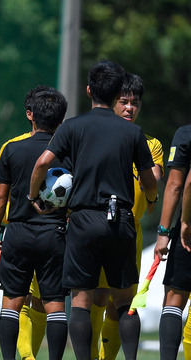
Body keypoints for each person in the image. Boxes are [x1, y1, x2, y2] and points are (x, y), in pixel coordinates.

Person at [28, 60, 158, 360]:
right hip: (120, 219)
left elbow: (42, 163)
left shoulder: (73, 126)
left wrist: (34, 195)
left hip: (83, 219)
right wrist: (151, 198)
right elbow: (150, 180)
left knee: (82, 301)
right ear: (116, 94)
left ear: (88, 90)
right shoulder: (133, 133)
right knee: (125, 301)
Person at [0, 87, 69, 360]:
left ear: (30, 115)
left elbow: (0, 197)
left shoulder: (12, 149)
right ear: (61, 119)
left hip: (19, 232)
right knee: (55, 305)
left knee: (12, 301)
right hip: (54, 233)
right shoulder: (69, 152)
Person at [91, 73, 163, 360]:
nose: (130, 108)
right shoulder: (96, 136)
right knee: (95, 296)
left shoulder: (151, 143)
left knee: (120, 302)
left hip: (129, 231)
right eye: (124, 102)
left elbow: (153, 180)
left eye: (135, 103)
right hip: (95, 226)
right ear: (113, 102)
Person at [154, 123, 191, 359]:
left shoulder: (185, 134)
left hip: (189, 233)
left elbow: (180, 184)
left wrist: (171, 228)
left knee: (174, 301)